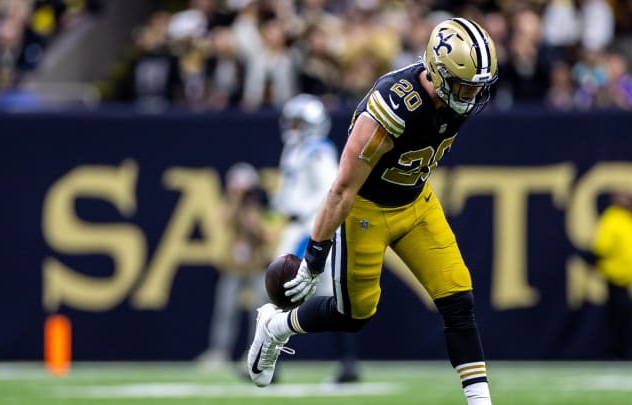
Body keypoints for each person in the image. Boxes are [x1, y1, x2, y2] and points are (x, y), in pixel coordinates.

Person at [247, 17, 498, 405]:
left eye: (477, 87)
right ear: (438, 73)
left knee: (458, 301)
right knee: (355, 314)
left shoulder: (454, 98)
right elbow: (342, 188)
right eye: (465, 85)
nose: (471, 97)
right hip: (366, 209)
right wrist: (314, 258)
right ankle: (276, 325)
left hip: (415, 202)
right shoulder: (392, 107)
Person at [271, 93, 361, 382]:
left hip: (312, 227)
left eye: (299, 123)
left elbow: (329, 191)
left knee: (287, 291)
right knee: (308, 296)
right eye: (292, 122)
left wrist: (310, 236)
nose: (293, 128)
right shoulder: (294, 151)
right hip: (296, 225)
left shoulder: (318, 150)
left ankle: (269, 363)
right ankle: (347, 365)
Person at [196, 163, 273, 369]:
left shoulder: (263, 205)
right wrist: (236, 200)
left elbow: (267, 234)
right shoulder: (230, 204)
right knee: (226, 310)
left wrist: (251, 217)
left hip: (257, 265)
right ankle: (219, 352)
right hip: (233, 266)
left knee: (259, 313)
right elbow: (222, 220)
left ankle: (256, 352)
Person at [580, 192, 632, 358]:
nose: (627, 200)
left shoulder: (629, 219)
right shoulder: (612, 218)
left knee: (624, 319)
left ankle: (622, 353)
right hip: (615, 277)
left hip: (627, 278)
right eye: (623, 197)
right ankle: (613, 354)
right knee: (616, 318)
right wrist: (593, 259)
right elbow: (602, 246)